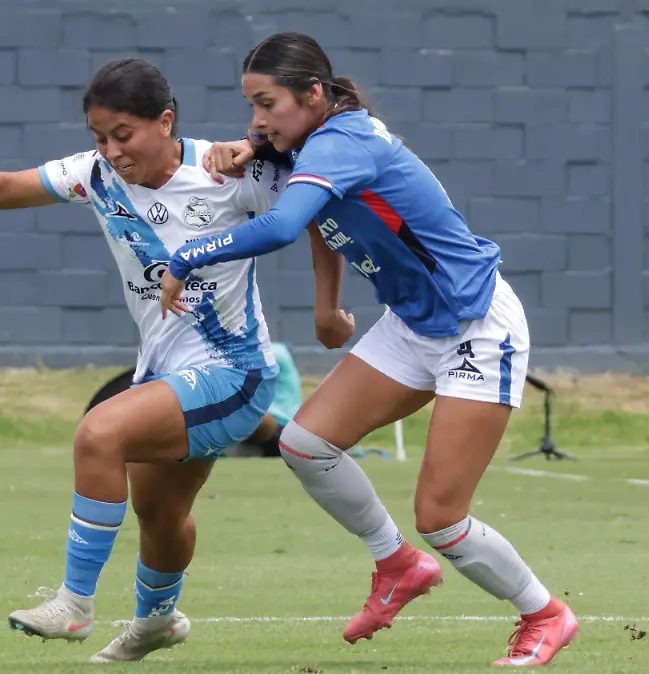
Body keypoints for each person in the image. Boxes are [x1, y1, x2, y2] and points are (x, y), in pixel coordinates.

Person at [160, 32, 578, 668]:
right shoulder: (305, 144)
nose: (256, 119)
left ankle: (544, 613)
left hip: (476, 324)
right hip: (413, 325)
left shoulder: (345, 139)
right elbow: (316, 217)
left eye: (267, 103)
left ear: (315, 94)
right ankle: (396, 563)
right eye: (251, 104)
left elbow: (277, 226)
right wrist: (326, 307)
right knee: (304, 444)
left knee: (441, 517)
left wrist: (186, 257)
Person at [0, 58, 289, 663]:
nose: (110, 150)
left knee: (99, 433)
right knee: (160, 511)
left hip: (235, 370)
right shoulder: (95, 175)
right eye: (99, 137)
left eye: (122, 135)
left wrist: (331, 307)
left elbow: (318, 202)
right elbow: (6, 188)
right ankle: (157, 620)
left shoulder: (229, 170)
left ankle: (74, 603)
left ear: (165, 121)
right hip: (166, 372)